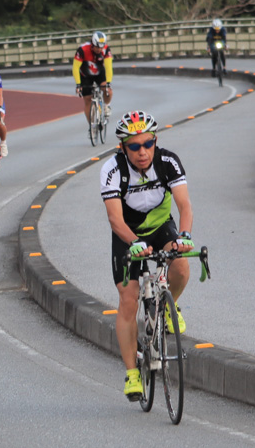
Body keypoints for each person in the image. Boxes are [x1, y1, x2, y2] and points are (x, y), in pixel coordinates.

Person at [100, 110, 195, 402]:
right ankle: (132, 373)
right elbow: (115, 220)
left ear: (155, 142)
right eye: (134, 146)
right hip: (127, 234)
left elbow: (184, 204)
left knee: (181, 269)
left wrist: (185, 236)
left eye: (148, 144)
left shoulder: (168, 161)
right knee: (128, 301)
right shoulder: (112, 169)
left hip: (160, 227)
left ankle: (168, 306)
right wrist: (133, 243)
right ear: (123, 148)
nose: (143, 152)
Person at [74, 30, 113, 126]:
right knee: (87, 99)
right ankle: (91, 125)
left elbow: (108, 67)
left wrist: (108, 82)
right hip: (85, 75)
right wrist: (78, 84)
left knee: (107, 89)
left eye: (101, 47)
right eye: (97, 47)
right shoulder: (82, 50)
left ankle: (106, 106)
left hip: (100, 73)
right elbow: (75, 67)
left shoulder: (106, 49)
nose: (99, 50)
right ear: (92, 44)